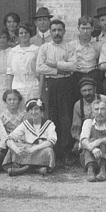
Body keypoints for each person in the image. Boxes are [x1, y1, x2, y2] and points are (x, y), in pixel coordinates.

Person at [36, 19, 76, 163]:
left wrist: (54, 65)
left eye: (59, 30)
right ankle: (53, 150)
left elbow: (73, 66)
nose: (57, 33)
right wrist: (59, 69)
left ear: (64, 31)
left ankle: (66, 151)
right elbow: (40, 67)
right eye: (54, 30)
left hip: (66, 83)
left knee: (66, 116)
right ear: (50, 32)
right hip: (51, 84)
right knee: (52, 116)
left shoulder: (70, 47)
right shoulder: (45, 48)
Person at [4, 98, 57, 176]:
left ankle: (24, 168)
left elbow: (51, 141)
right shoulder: (26, 124)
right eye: (31, 110)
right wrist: (17, 149)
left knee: (49, 151)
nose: (33, 112)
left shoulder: (49, 124)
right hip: (27, 149)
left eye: (36, 109)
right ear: (28, 112)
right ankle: (36, 169)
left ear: (41, 110)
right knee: (13, 147)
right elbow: (9, 138)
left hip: (40, 149)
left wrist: (33, 149)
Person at [70, 77, 106, 154]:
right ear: (80, 91)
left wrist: (101, 121)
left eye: (89, 90)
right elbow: (75, 129)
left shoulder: (103, 99)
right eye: (84, 91)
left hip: (104, 133)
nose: (87, 93)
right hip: (87, 134)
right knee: (76, 147)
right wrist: (84, 139)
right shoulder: (78, 105)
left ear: (95, 89)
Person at [80, 99, 106, 182]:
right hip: (89, 158)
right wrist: (93, 148)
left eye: (102, 109)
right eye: (96, 109)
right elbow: (83, 140)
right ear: (92, 111)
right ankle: (90, 170)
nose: (99, 112)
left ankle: (103, 169)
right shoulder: (88, 122)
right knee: (90, 140)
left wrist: (100, 141)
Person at [7, 23, 41, 108]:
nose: (24, 35)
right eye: (21, 33)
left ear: (30, 34)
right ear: (18, 35)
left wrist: (40, 89)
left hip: (33, 86)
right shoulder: (13, 52)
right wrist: (9, 91)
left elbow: (40, 71)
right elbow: (10, 72)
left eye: (26, 32)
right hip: (17, 86)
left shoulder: (36, 50)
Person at [67, 16, 102, 92]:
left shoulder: (98, 45)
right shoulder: (71, 46)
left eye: (88, 28)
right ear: (78, 28)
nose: (85, 31)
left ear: (92, 29)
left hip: (93, 76)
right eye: (83, 28)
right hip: (77, 77)